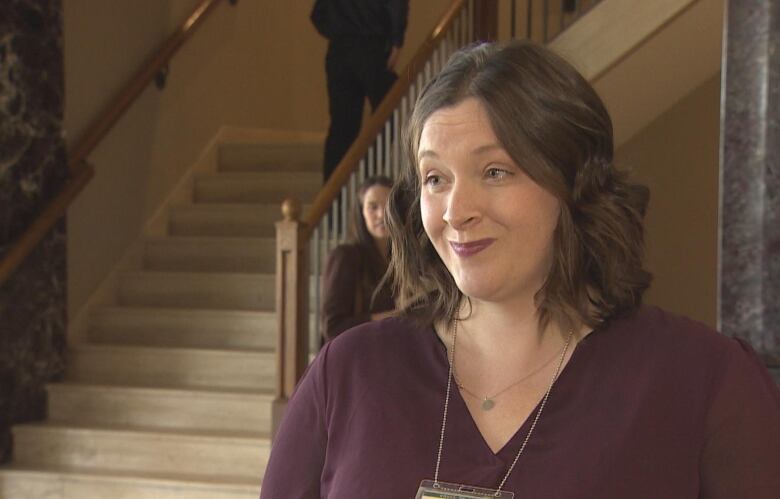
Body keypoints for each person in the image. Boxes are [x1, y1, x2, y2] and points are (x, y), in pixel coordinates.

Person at [259, 41, 780, 498]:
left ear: (573, 184)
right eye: (435, 178)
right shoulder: (347, 374)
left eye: (494, 171)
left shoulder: (703, 381)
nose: (456, 210)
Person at [311, 0, 410, 181]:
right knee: (388, 112)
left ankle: (333, 201)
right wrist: (396, 40)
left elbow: (318, 14)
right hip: (372, 45)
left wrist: (338, 29)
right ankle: (369, 180)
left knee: (341, 129)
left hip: (338, 49)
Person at [320, 175, 396, 342]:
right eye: (372, 207)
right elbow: (332, 327)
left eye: (389, 205)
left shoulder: (404, 259)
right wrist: (393, 317)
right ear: (361, 212)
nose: (382, 214)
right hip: (356, 358)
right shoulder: (345, 256)